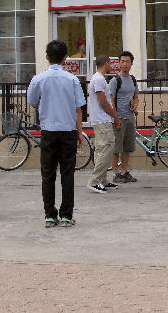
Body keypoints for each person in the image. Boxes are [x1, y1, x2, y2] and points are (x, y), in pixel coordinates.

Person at [28, 40, 86, 228]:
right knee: (67, 173)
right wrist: (79, 132)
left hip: (48, 131)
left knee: (48, 173)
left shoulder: (38, 79)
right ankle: (67, 215)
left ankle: (49, 215)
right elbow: (79, 109)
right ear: (65, 58)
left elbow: (33, 102)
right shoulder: (72, 79)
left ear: (47, 57)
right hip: (68, 130)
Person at [86, 54, 121, 193]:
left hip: (102, 119)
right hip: (102, 119)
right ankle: (94, 180)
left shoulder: (98, 79)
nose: (111, 66)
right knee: (106, 148)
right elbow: (104, 102)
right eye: (110, 63)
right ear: (106, 63)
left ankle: (103, 179)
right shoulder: (99, 79)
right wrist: (115, 117)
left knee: (102, 149)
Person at [109, 51, 139, 183]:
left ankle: (124, 171)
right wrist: (115, 118)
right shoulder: (115, 80)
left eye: (127, 61)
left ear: (131, 63)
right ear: (119, 63)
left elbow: (136, 97)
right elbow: (111, 100)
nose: (125, 64)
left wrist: (135, 105)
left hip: (130, 117)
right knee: (116, 147)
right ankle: (115, 173)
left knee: (127, 147)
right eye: (122, 61)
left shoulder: (132, 79)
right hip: (119, 118)